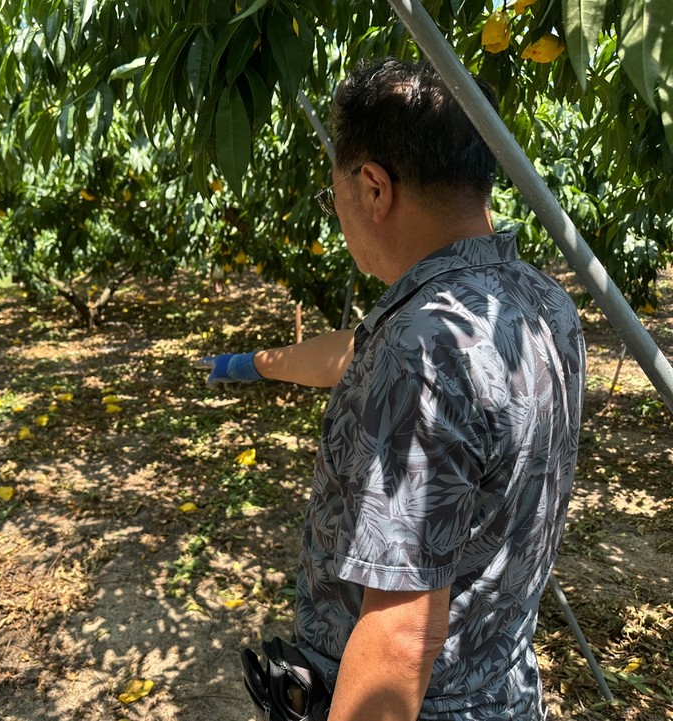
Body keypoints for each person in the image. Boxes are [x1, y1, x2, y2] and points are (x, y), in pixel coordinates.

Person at [199, 58, 586, 721]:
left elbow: (400, 637)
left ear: (374, 188)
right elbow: (353, 353)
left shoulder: (424, 348)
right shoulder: (537, 305)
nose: (339, 214)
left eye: (337, 195)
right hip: (505, 692)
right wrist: (247, 364)